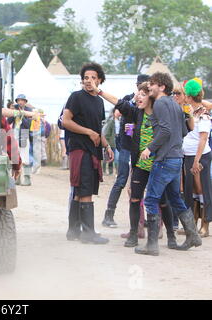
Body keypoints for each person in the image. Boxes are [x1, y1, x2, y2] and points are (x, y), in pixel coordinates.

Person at [95, 81, 177, 249]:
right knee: (134, 198)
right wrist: (100, 91)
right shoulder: (135, 113)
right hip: (140, 165)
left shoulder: (160, 113)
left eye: (143, 94)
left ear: (151, 97)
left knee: (162, 201)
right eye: (138, 93)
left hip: (157, 165)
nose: (138, 97)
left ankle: (171, 237)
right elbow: (119, 102)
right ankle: (133, 234)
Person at [137, 72, 202, 255]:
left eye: (152, 84)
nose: (149, 86)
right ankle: (193, 235)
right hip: (176, 158)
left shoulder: (160, 103)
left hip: (164, 159)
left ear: (162, 87)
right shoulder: (174, 104)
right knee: (175, 198)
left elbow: (165, 130)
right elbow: (183, 130)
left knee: (150, 198)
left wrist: (150, 148)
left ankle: (152, 245)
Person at [61, 62, 114, 245]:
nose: (88, 81)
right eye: (85, 78)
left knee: (81, 189)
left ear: (99, 80)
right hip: (79, 149)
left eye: (93, 78)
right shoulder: (76, 97)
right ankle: (88, 233)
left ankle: (74, 230)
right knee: (84, 190)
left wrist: (106, 146)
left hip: (94, 150)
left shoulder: (99, 101)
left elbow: (97, 128)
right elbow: (66, 121)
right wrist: (88, 133)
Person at [101, 74, 150, 228]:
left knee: (142, 183)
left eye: (146, 87)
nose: (142, 89)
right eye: (140, 85)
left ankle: (143, 218)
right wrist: (134, 100)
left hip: (142, 149)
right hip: (127, 148)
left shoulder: (151, 102)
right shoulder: (129, 99)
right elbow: (118, 113)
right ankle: (109, 214)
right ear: (136, 85)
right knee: (121, 180)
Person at [182, 78, 212, 238]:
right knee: (191, 189)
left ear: (190, 96)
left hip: (199, 156)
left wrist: (196, 160)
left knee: (202, 189)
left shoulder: (204, 115)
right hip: (188, 155)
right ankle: (192, 222)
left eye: (186, 94)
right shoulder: (192, 112)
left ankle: (205, 223)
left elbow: (203, 139)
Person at [8, 94, 34, 186]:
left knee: (25, 157)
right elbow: (8, 121)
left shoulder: (29, 111)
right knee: (15, 157)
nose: (20, 102)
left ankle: (27, 178)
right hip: (15, 134)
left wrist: (22, 115)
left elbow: (28, 125)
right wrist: (14, 113)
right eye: (18, 100)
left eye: (22, 100)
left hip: (24, 134)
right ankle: (16, 178)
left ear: (25, 102)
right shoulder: (14, 110)